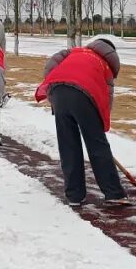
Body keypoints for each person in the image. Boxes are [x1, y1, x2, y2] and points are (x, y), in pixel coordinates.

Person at [35, 38, 128, 208]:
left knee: (68, 145)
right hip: (84, 94)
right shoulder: (105, 65)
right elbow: (107, 98)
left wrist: (54, 94)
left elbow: (50, 64)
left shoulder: (73, 52)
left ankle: (74, 195)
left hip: (57, 89)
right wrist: (100, 127)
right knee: (97, 145)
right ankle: (113, 193)